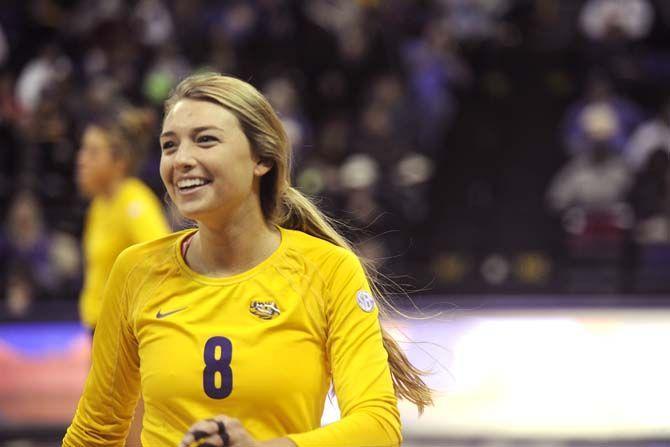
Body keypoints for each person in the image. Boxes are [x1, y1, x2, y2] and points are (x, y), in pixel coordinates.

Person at [63, 73, 432, 447]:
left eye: (205, 140)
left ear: (262, 159)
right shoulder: (135, 271)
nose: (182, 160)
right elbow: (94, 434)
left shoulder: (329, 269)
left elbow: (379, 428)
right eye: (169, 145)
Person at [75, 106, 171, 446]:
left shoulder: (135, 203)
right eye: (82, 150)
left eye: (92, 151)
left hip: (125, 342)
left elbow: (165, 260)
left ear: (118, 162)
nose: (81, 159)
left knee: (130, 436)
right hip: (99, 334)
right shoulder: (101, 205)